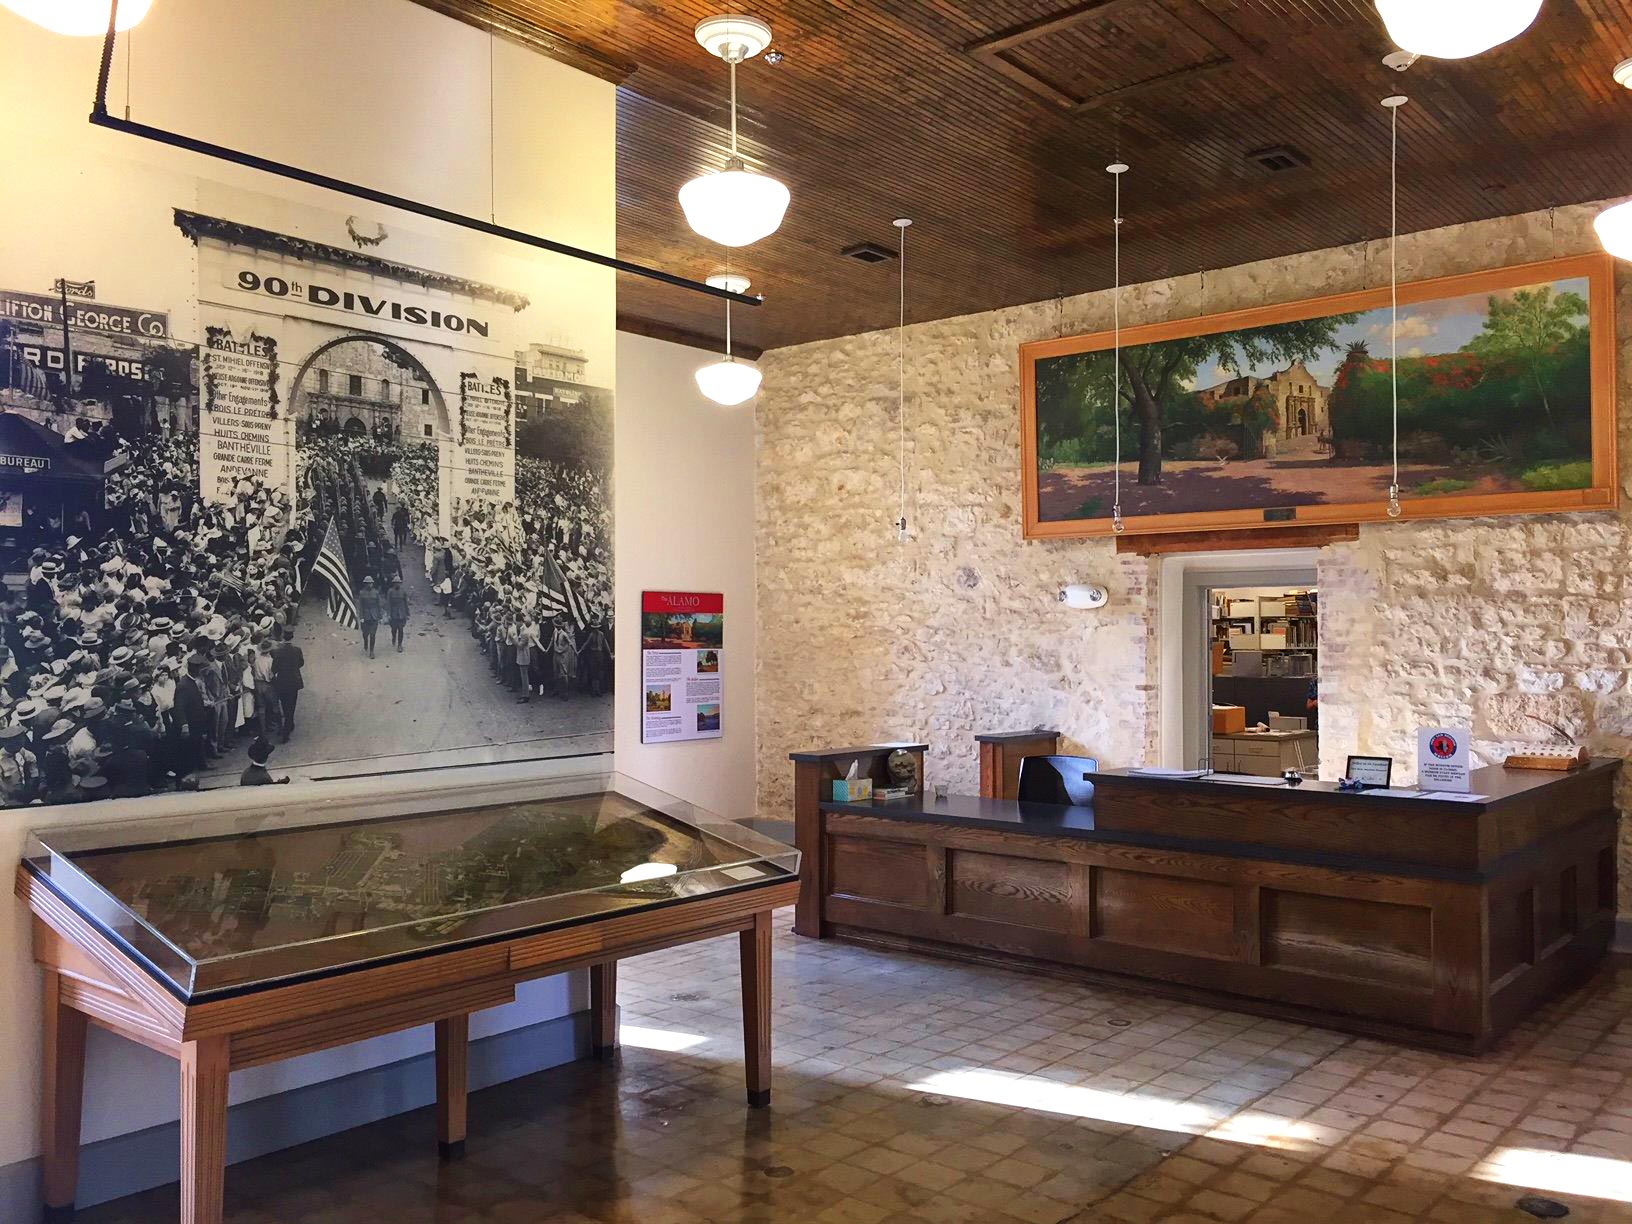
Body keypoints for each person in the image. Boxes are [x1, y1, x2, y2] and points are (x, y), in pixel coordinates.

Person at [270, 627, 305, 743]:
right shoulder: (297, 650)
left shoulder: (277, 651)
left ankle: (288, 724)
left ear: (283, 637)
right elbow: (301, 663)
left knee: (284, 704)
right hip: (294, 681)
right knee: (292, 704)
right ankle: (288, 725)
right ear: (292, 637)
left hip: (282, 681)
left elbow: (274, 668)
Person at [358, 576, 382, 658]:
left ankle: (372, 651)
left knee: (372, 634)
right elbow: (360, 606)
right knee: (365, 634)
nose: (369, 585)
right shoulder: (361, 593)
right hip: (365, 616)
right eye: (368, 583)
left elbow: (379, 605)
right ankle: (365, 642)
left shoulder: (376, 593)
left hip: (374, 616)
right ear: (365, 584)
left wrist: (380, 616)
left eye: (371, 583)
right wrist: (361, 617)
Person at [386, 576, 410, 653]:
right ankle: (393, 637)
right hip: (393, 613)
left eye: (398, 583)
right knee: (393, 629)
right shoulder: (390, 591)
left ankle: (399, 645)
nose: (397, 584)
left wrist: (407, 613)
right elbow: (388, 603)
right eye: (396, 583)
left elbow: (406, 603)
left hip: (402, 613)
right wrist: (389, 614)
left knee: (401, 629)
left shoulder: (403, 591)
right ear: (393, 584)